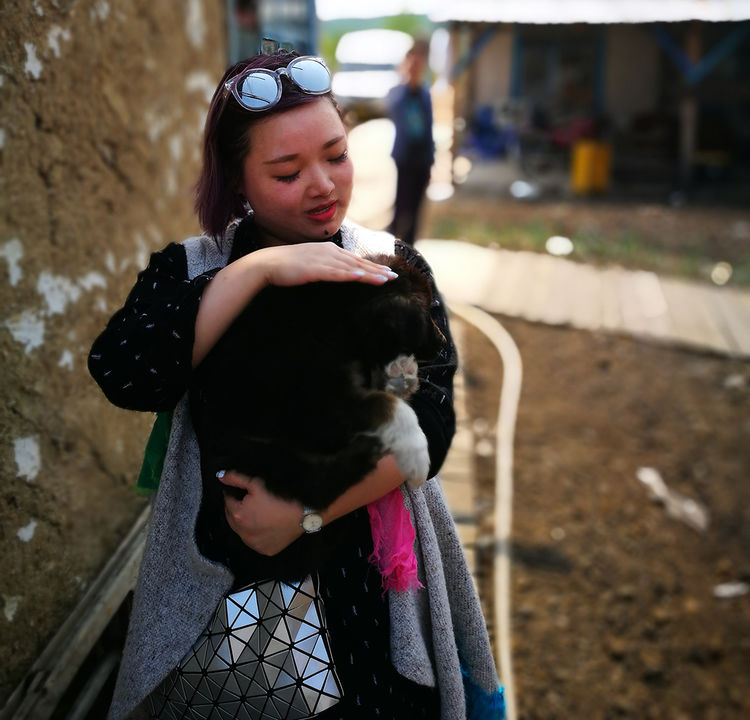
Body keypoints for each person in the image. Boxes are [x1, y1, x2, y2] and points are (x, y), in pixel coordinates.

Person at [89, 43, 504, 720]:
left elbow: (426, 423)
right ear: (238, 179)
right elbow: (124, 371)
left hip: (371, 582)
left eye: (336, 155)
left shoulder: (388, 268)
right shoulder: (193, 269)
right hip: (237, 593)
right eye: (287, 171)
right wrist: (252, 273)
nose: (324, 185)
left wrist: (306, 514)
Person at [387, 39, 435, 245]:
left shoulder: (425, 94)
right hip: (405, 158)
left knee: (416, 208)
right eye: (412, 63)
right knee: (402, 205)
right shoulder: (398, 93)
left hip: (422, 158)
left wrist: (432, 157)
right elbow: (395, 108)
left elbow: (428, 128)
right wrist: (407, 80)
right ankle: (393, 244)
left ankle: (410, 246)